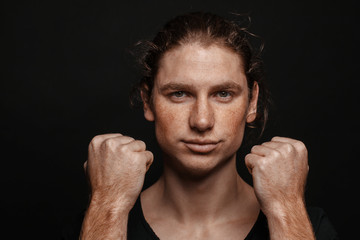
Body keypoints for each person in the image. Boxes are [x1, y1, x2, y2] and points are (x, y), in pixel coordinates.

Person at [64, 12, 338, 239]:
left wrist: (285, 210)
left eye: (223, 94)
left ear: (252, 102)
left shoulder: (305, 224)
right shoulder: (95, 223)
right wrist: (109, 206)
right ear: (148, 101)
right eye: (179, 94)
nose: (202, 121)